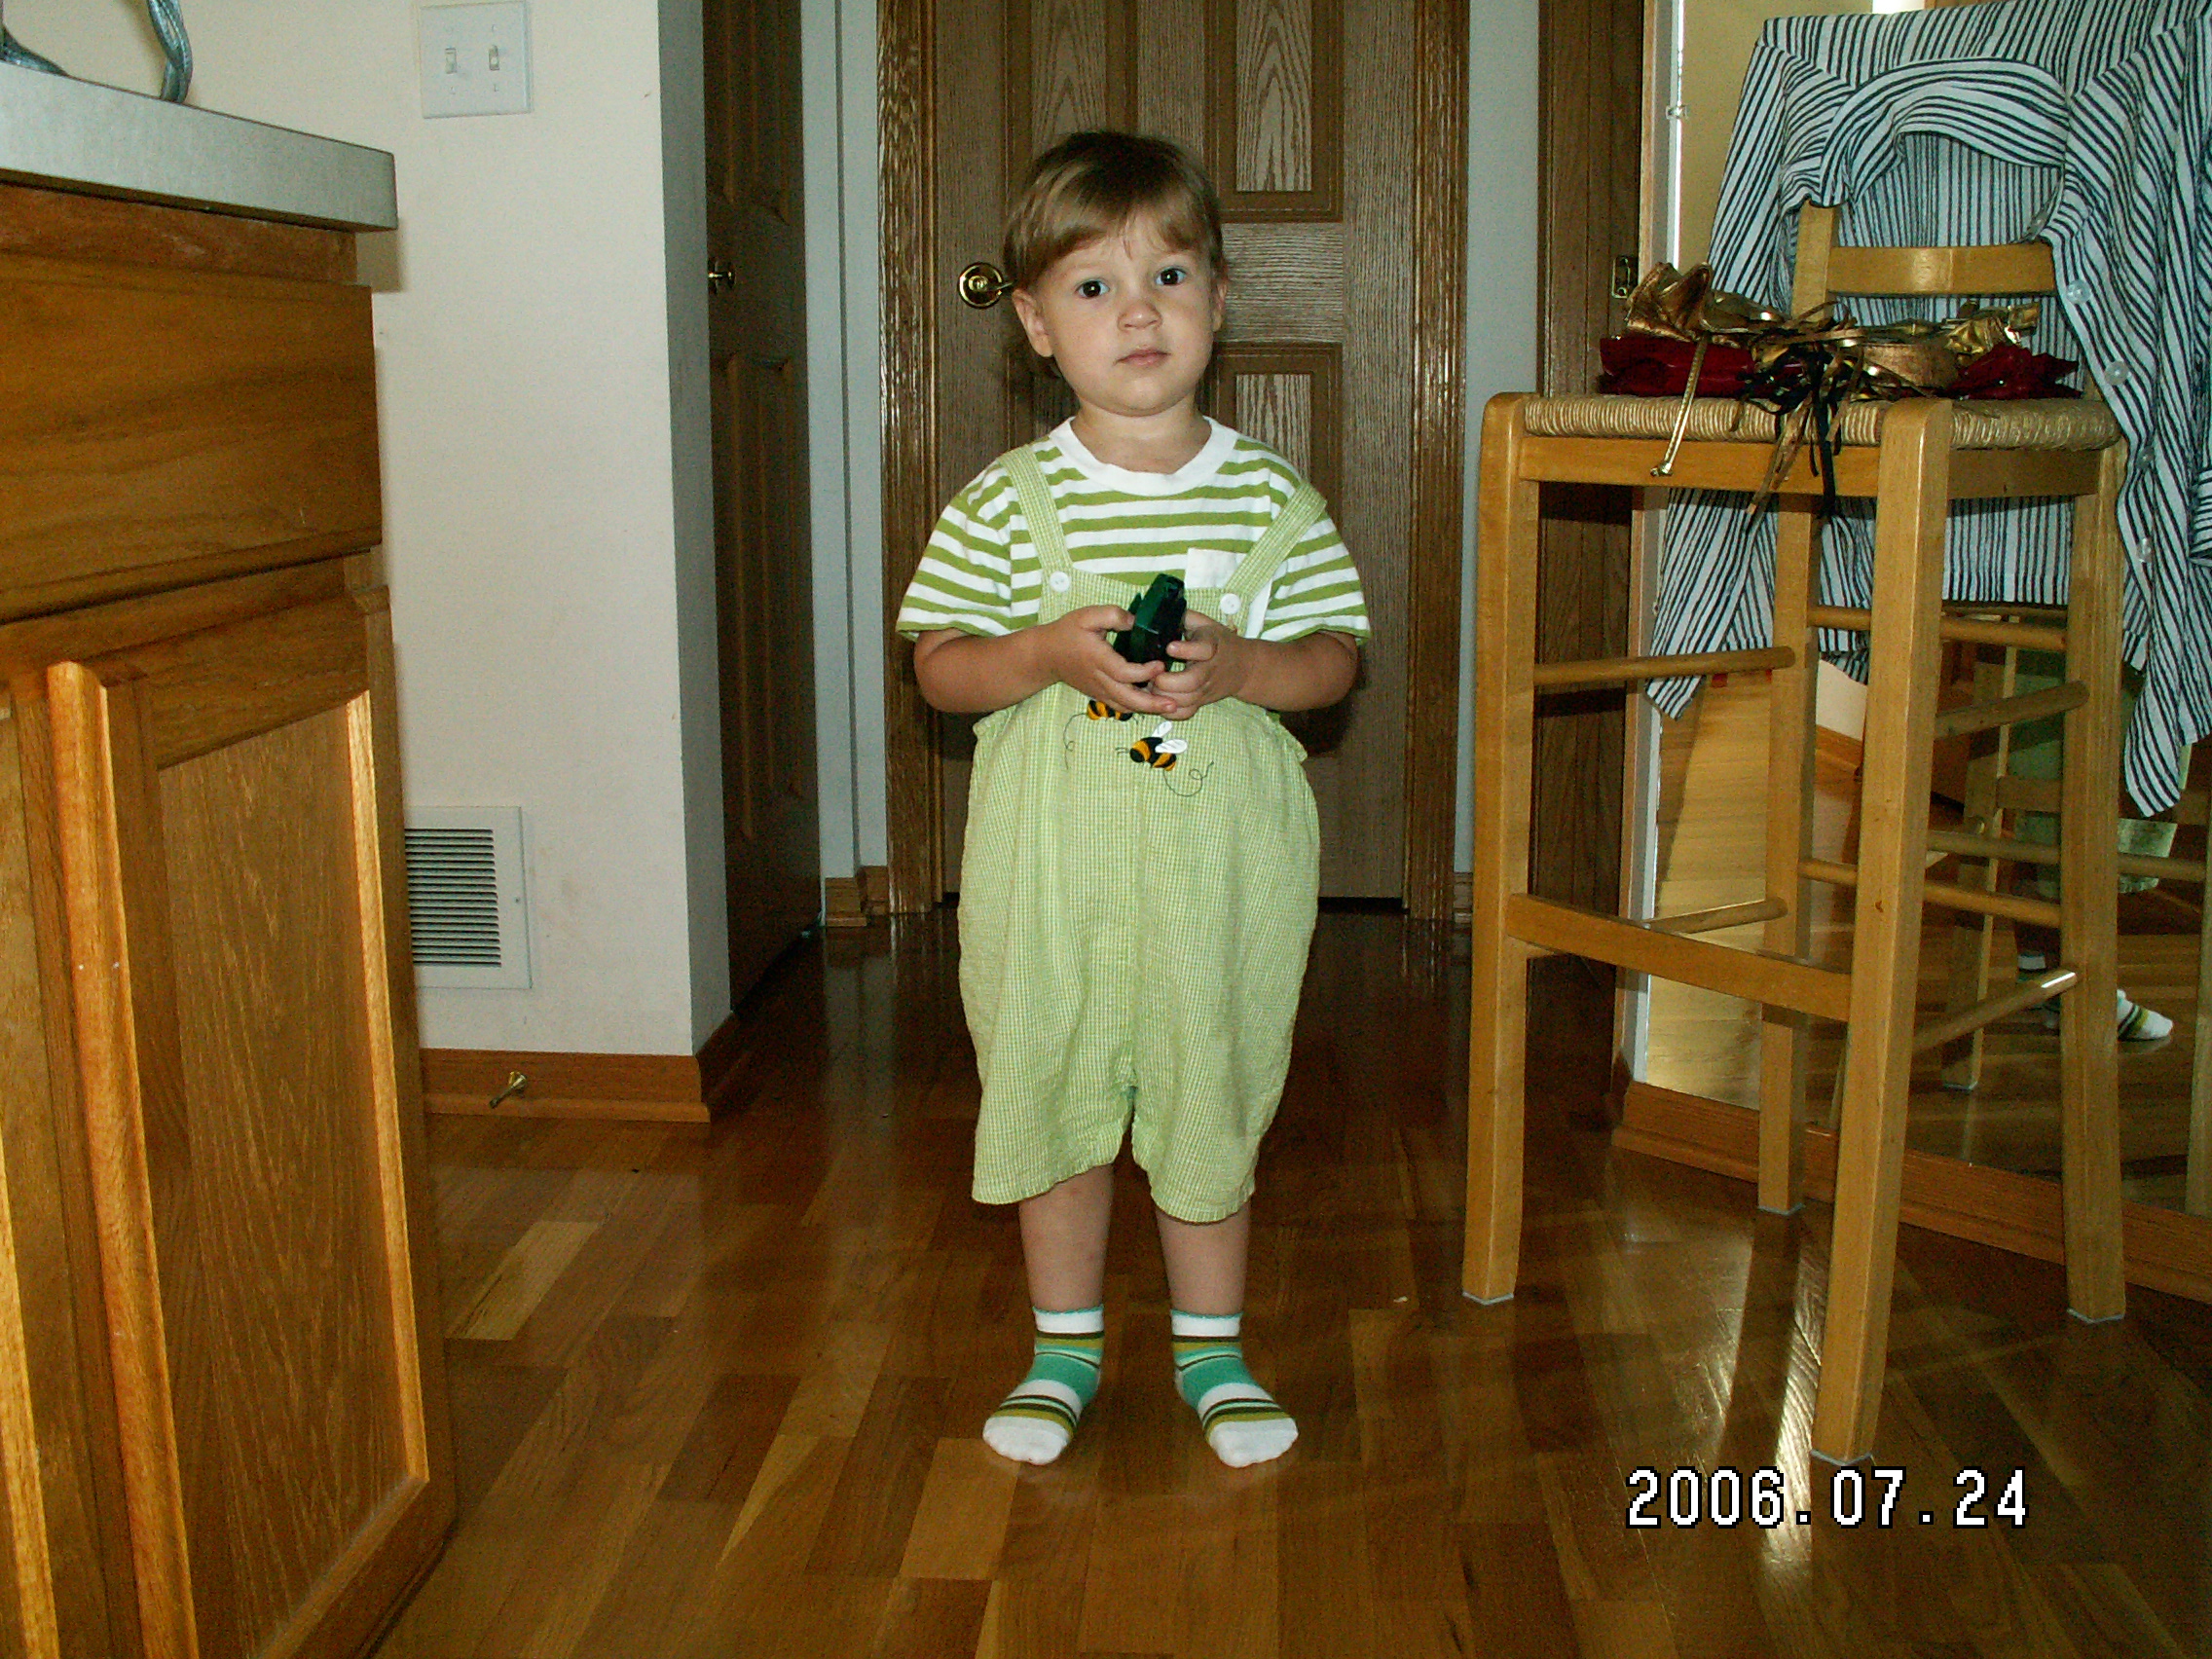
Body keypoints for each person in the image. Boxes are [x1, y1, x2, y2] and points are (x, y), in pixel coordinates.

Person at [897, 129, 1369, 1468]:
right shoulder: (1005, 505)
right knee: (1051, 1081)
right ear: (1037, 325)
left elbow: (1336, 661)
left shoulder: (1273, 500)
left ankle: (1213, 1349)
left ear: (1219, 296)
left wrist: (1247, 668)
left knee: (1207, 1083)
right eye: (1094, 287)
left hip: (1220, 876)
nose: (1139, 312)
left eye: (1169, 275)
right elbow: (939, 668)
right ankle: (1064, 1346)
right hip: (1052, 875)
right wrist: (1047, 653)